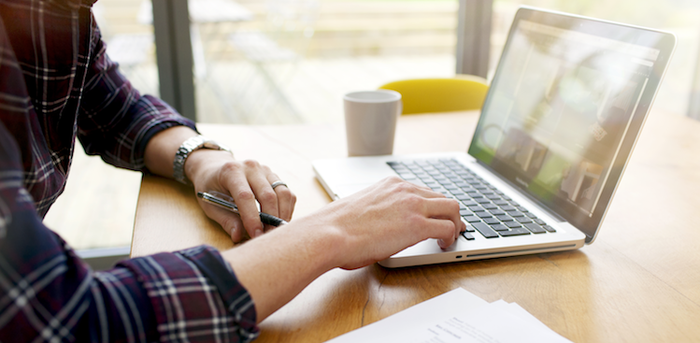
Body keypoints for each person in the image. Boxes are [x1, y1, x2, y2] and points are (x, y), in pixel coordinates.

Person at [0, 0, 465, 341]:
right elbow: (80, 321)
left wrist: (203, 161)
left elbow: (115, 108)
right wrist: (333, 231)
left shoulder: (54, 11)